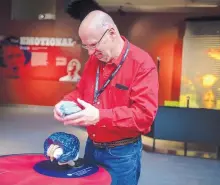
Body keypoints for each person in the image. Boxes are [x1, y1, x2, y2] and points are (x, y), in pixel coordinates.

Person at [53, 10, 159, 185]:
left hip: (121, 153)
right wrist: (64, 102)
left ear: (111, 33)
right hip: (92, 146)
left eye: (94, 45)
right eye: (86, 46)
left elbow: (144, 116)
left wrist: (99, 116)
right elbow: (81, 92)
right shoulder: (94, 61)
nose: (91, 53)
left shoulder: (142, 64)